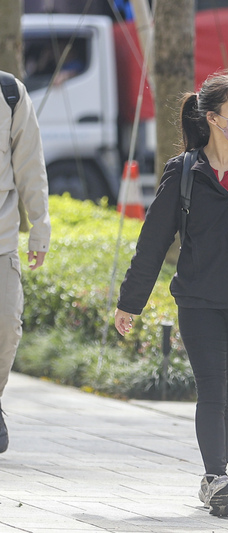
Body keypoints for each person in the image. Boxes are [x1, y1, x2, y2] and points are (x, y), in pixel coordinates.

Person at [114, 72, 228, 517]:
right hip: (197, 300)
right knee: (213, 390)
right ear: (213, 117)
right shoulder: (185, 172)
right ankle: (217, 475)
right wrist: (130, 301)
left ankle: (217, 476)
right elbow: (154, 240)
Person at [0, 71, 50, 454]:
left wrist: (39, 224)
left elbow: (29, 161)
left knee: (6, 327)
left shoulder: (10, 92)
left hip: (1, 240)